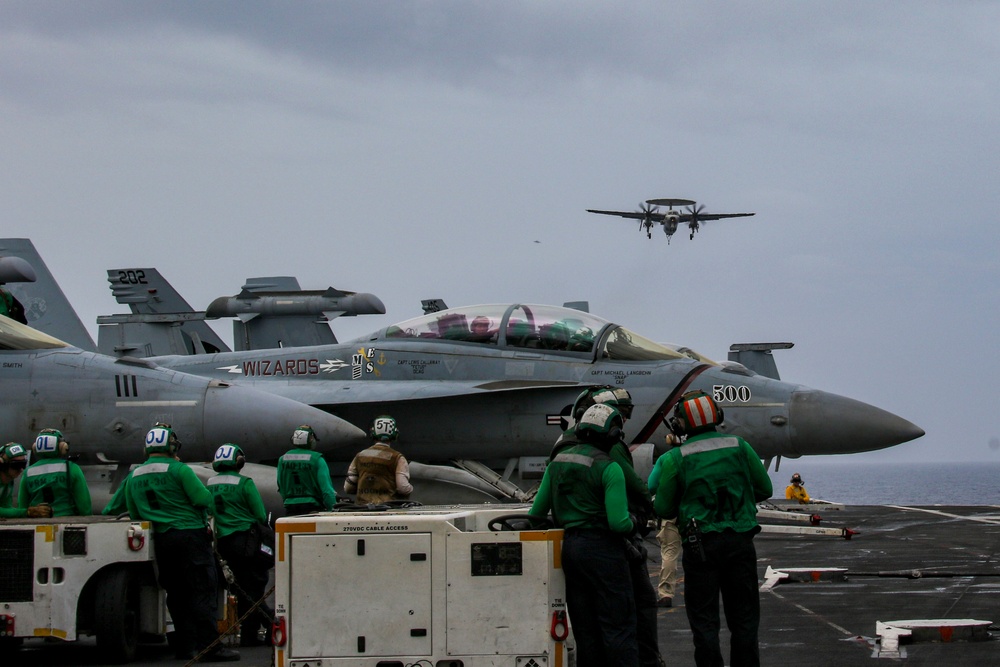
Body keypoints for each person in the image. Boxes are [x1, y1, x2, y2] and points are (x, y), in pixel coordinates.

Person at [653, 391, 773, 667]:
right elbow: (764, 488)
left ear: (681, 424)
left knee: (704, 623)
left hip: (701, 546)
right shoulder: (740, 446)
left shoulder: (676, 458)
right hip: (740, 543)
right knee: (744, 621)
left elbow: (663, 508)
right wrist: (739, 500)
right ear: (717, 416)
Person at [530, 403, 639, 667]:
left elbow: (536, 514)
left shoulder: (557, 462)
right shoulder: (610, 468)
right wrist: (634, 522)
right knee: (618, 628)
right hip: (604, 551)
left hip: (571, 550)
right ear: (612, 436)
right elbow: (618, 523)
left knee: (585, 632)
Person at [125, 423, 239, 662]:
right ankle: (210, 647)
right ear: (172, 446)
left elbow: (134, 510)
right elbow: (203, 499)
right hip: (190, 537)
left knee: (176, 595)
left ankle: (185, 648)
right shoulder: (179, 470)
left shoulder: (134, 475)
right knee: (201, 591)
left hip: (163, 541)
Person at [208, 443, 274, 647]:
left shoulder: (210, 483)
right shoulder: (245, 482)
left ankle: (252, 633)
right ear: (239, 461)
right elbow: (260, 515)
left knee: (239, 588)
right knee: (253, 587)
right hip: (246, 541)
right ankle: (268, 625)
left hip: (223, 543)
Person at [647, 433, 683, 608]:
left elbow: (651, 486)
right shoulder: (699, 456)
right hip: (699, 514)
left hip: (672, 516)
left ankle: (666, 593)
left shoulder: (665, 458)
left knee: (669, 554)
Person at [18, 429, 91, 516]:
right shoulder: (71, 468)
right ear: (62, 447)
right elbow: (84, 505)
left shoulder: (28, 472)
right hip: (67, 519)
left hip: (37, 522)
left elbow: (22, 506)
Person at [344, 415, 413, 504]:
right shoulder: (397, 458)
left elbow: (348, 488)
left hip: (362, 509)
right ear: (395, 434)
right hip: (387, 510)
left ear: (373, 433)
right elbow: (403, 488)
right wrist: (411, 488)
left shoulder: (360, 456)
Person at [276, 425, 338, 515]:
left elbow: (281, 486)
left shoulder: (282, 459)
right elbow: (327, 490)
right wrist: (332, 510)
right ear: (310, 439)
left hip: (290, 508)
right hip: (312, 508)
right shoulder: (317, 459)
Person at [0, 442, 52, 518]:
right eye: (16, 465)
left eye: (23, 465)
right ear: (2, 465)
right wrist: (27, 512)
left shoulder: (9, 481)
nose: (21, 470)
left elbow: (7, 508)